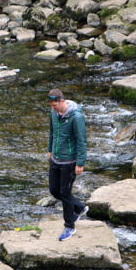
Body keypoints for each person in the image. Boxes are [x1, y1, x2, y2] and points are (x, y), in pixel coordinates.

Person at [47, 88, 88, 241]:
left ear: (62, 101)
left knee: (65, 193)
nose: (53, 109)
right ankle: (79, 207)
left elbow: (81, 141)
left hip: (70, 162)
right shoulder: (54, 113)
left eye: (54, 105)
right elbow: (51, 131)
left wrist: (80, 163)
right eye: (51, 106)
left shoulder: (76, 117)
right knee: (54, 190)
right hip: (56, 159)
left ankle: (69, 226)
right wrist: (50, 149)